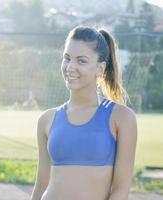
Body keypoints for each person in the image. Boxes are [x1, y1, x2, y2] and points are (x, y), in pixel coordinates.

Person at [31, 25, 137, 200]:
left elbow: (120, 190)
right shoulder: (47, 120)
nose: (70, 67)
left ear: (100, 68)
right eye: (67, 58)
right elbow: (41, 185)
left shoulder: (121, 118)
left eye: (81, 61)